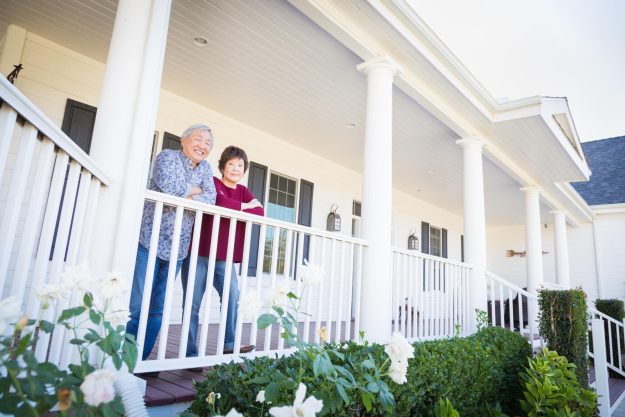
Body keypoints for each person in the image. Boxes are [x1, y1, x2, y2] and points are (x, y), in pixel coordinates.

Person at [127, 124, 217, 361]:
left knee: (157, 309)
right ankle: (122, 358)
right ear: (184, 140)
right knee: (137, 305)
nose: (203, 146)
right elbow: (168, 187)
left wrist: (186, 192)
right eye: (199, 140)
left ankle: (139, 360)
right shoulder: (167, 157)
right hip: (150, 240)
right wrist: (193, 190)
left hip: (178, 248)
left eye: (208, 144)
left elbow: (210, 199)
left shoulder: (206, 168)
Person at [181, 146, 263, 359]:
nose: (235, 169)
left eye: (240, 165)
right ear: (223, 166)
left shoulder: (243, 191)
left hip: (225, 257)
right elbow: (218, 201)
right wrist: (244, 207)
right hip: (199, 251)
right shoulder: (214, 183)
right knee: (192, 302)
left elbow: (260, 211)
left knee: (232, 296)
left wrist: (240, 205)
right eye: (231, 164)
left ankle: (229, 342)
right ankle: (189, 352)